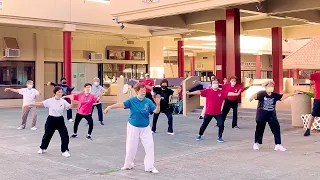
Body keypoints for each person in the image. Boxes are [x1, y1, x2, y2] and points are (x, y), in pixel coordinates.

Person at [103, 83, 161, 174]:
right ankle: (128, 164)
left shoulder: (148, 101)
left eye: (145, 90)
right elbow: (120, 104)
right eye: (142, 90)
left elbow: (156, 111)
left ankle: (150, 167)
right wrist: (110, 107)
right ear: (137, 91)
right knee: (131, 146)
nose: (144, 92)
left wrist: (158, 104)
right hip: (133, 126)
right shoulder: (132, 100)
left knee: (150, 146)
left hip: (145, 127)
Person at [249, 80, 299, 151]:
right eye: (269, 86)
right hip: (261, 115)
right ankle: (256, 143)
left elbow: (283, 96)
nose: (271, 87)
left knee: (276, 129)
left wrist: (293, 93)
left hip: (271, 116)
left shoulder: (274, 95)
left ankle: (278, 144)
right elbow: (254, 96)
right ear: (265, 87)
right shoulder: (261, 94)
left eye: (272, 86)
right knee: (259, 129)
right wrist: (251, 98)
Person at [186, 78, 241, 142]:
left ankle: (219, 137)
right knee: (204, 125)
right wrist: (190, 93)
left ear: (218, 84)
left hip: (218, 113)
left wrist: (237, 94)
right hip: (209, 112)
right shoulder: (207, 91)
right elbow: (199, 92)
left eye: (216, 83)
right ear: (211, 84)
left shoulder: (221, 92)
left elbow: (229, 93)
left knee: (221, 124)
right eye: (214, 83)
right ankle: (199, 135)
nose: (215, 84)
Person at [27, 87, 73, 157]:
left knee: (65, 135)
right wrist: (29, 104)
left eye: (61, 92)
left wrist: (72, 100)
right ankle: (42, 148)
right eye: (59, 92)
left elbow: (69, 107)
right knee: (47, 134)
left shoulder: (63, 101)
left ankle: (64, 150)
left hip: (60, 120)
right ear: (55, 92)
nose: (60, 93)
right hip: (51, 119)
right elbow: (40, 104)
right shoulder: (50, 100)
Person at [300, 71, 320, 136]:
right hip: (318, 98)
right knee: (313, 113)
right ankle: (308, 129)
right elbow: (308, 77)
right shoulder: (318, 74)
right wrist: (302, 73)